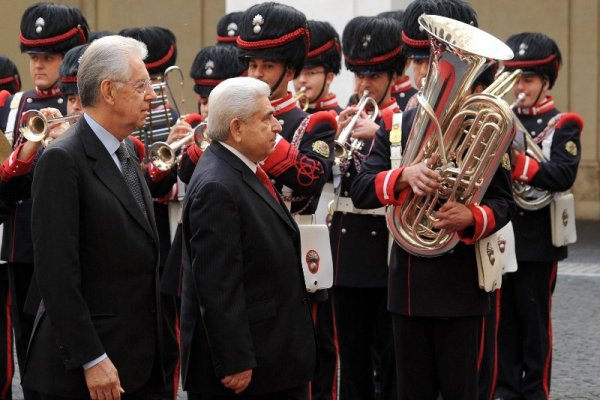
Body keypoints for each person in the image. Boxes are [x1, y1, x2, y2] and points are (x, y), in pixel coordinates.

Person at [350, 1, 514, 399]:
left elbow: (504, 203)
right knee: (412, 390)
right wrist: (403, 176)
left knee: (462, 390)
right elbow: (360, 188)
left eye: (429, 60)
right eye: (417, 61)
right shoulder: (396, 123)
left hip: (462, 286)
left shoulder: (485, 121)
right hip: (407, 285)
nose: (423, 71)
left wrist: (471, 215)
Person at [23, 35, 176, 400]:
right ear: (108, 91)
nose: (152, 97)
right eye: (142, 86)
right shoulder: (63, 159)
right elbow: (56, 273)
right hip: (85, 373)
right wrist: (91, 358)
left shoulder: (123, 150)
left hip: (136, 362)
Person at [180, 76, 316, 399]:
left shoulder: (238, 168)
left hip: (272, 356)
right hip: (250, 371)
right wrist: (234, 360)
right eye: (266, 118)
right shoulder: (218, 184)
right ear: (237, 128)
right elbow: (217, 283)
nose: (278, 126)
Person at [236, 3, 337, 397]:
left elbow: (309, 180)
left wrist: (258, 128)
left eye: (267, 66)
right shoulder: (232, 120)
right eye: (252, 65)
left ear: (290, 70)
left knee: (304, 373)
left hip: (293, 267)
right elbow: (190, 174)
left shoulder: (315, 123)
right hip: (242, 261)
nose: (256, 75)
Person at [0, 5, 89, 399]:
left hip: (70, 240)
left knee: (67, 341)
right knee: (28, 346)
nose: (38, 66)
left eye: (48, 57)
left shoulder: (83, 104)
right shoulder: (14, 105)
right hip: (23, 242)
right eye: (34, 57)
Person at [494, 32, 583, 400]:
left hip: (538, 240)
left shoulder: (564, 124)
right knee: (504, 325)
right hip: (504, 235)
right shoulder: (503, 120)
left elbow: (562, 174)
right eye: (515, 78)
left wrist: (519, 165)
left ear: (546, 81)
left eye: (528, 79)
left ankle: (534, 392)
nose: (520, 87)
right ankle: (504, 389)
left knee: (534, 325)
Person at [329, 15, 406, 400]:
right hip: (346, 253)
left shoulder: (406, 117)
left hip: (388, 247)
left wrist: (380, 134)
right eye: (358, 74)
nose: (364, 85)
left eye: (374, 75)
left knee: (390, 359)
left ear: (394, 75)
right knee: (353, 360)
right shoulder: (347, 111)